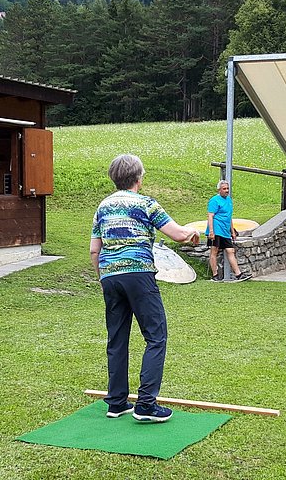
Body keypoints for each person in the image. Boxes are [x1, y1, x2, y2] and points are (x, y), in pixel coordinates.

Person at [90, 154, 199, 423]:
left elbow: (94, 250)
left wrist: (104, 278)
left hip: (110, 276)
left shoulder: (103, 207)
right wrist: (194, 233)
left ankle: (116, 402)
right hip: (138, 274)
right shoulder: (146, 204)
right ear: (138, 178)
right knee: (156, 336)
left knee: (117, 338)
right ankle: (146, 405)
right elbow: (178, 234)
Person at [206, 180, 251, 282]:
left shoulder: (229, 200)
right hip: (217, 229)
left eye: (227, 188)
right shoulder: (214, 200)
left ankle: (238, 274)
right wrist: (211, 231)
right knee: (214, 251)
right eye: (224, 189)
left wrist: (232, 231)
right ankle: (215, 275)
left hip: (225, 230)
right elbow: (210, 216)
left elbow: (229, 217)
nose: (226, 190)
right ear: (219, 190)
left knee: (230, 250)